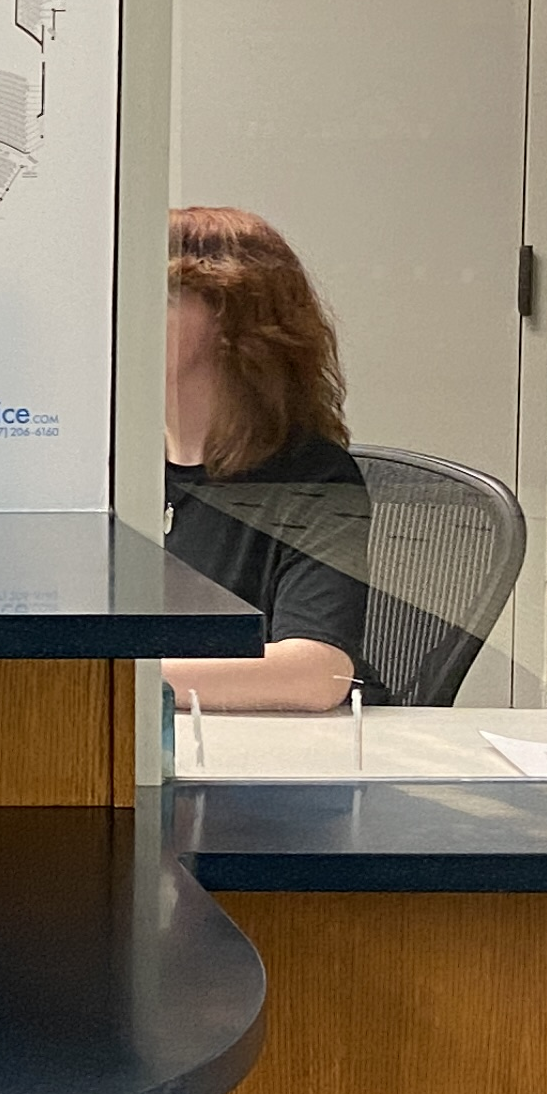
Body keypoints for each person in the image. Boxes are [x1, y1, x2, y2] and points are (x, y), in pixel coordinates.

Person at [159, 206, 378, 716]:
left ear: (234, 321)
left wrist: (107, 677)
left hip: (261, 751)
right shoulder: (113, 469)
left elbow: (317, 671)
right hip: (141, 739)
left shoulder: (312, 477)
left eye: (165, 296)